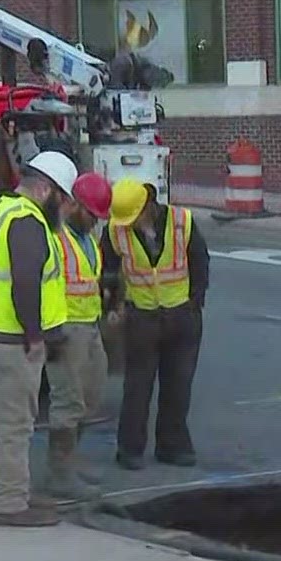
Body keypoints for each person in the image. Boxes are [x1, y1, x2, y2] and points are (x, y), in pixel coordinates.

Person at [0, 150, 75, 526]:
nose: (64, 206)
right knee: (15, 424)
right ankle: (9, 505)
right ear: (45, 190)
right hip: (10, 338)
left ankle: (16, 492)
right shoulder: (27, 222)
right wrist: (34, 335)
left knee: (6, 422)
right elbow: (25, 282)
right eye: (62, 197)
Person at [103, 177, 209, 470]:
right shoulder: (115, 230)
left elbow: (199, 261)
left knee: (178, 385)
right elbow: (108, 270)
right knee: (137, 387)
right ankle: (130, 449)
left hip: (181, 316)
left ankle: (172, 445)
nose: (130, 224)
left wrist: (194, 303)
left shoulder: (181, 221)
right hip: (142, 316)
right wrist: (112, 305)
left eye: (134, 217)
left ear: (148, 207)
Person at [39, 171, 114, 500]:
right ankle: (60, 474)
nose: (95, 223)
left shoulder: (88, 239)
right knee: (68, 400)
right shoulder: (56, 238)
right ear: (74, 206)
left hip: (89, 325)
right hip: (66, 327)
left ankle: (69, 462)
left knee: (91, 397)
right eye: (92, 215)